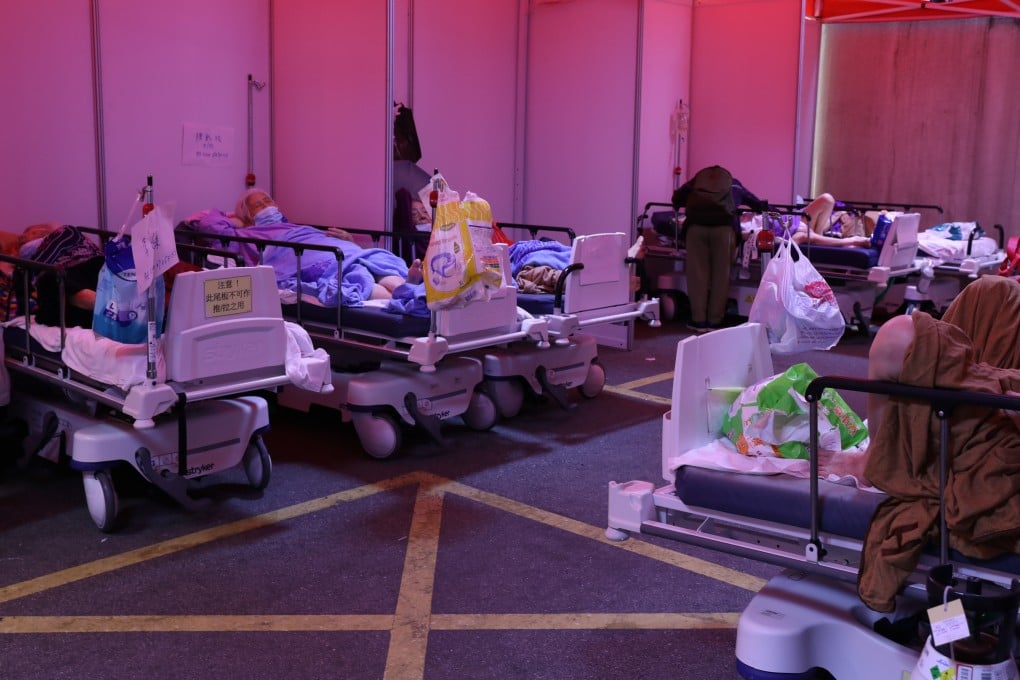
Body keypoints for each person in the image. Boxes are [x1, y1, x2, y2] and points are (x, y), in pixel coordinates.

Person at [858, 275, 1020, 612]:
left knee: (897, 336)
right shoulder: (996, 294)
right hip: (967, 408)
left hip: (978, 423)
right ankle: (877, 454)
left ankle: (877, 455)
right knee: (993, 291)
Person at [185, 189, 421, 307]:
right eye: (258, 205)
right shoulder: (243, 235)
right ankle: (402, 297)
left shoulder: (293, 225)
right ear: (246, 214)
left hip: (329, 245)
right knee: (352, 273)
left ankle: (405, 286)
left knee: (368, 259)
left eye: (268, 201)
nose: (266, 206)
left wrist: (350, 240)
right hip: (302, 256)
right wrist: (235, 219)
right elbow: (205, 221)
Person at [671, 165, 765, 333]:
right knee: (721, 275)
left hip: (696, 229)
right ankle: (714, 321)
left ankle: (698, 321)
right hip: (724, 231)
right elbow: (757, 204)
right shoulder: (734, 185)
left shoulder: (695, 183)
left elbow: (677, 198)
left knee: (697, 275)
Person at [791, 193, 871, 248]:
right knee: (804, 236)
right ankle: (853, 241)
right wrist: (837, 215)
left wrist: (841, 213)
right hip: (794, 230)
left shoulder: (848, 212)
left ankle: (855, 241)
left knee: (827, 198)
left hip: (798, 220)